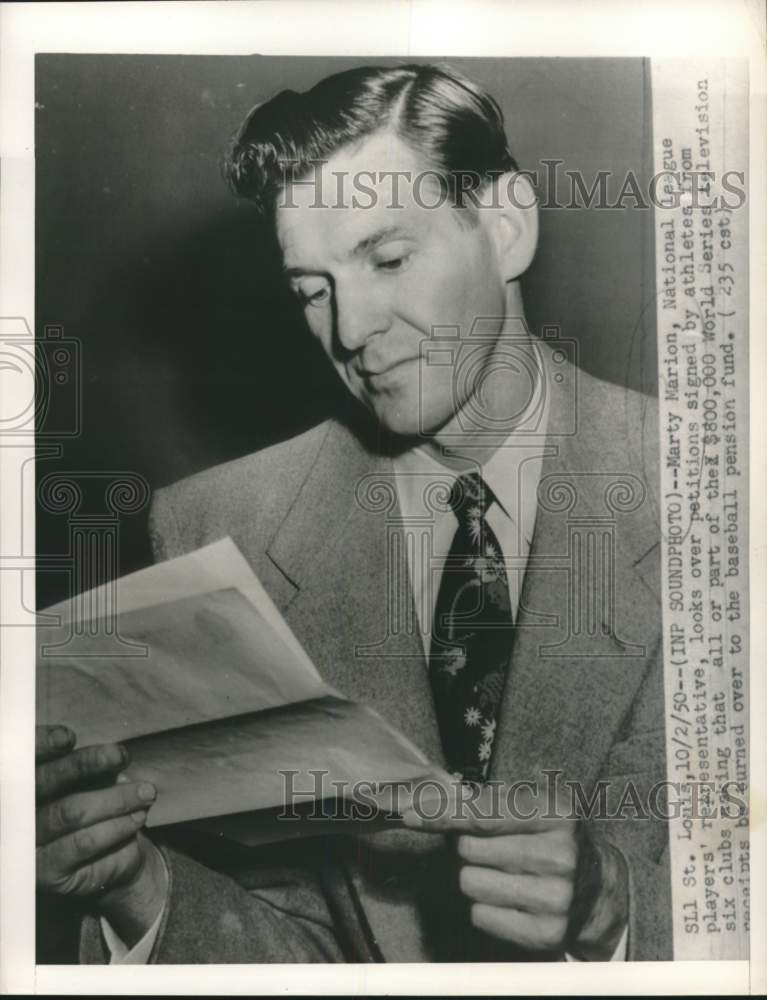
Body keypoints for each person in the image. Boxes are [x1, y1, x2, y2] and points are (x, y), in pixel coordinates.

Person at [36, 63, 670, 963]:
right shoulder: (220, 533)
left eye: (387, 258)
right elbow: (291, 945)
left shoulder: (719, 490)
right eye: (311, 288)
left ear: (506, 225)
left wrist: (615, 911)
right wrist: (139, 884)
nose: (350, 329)